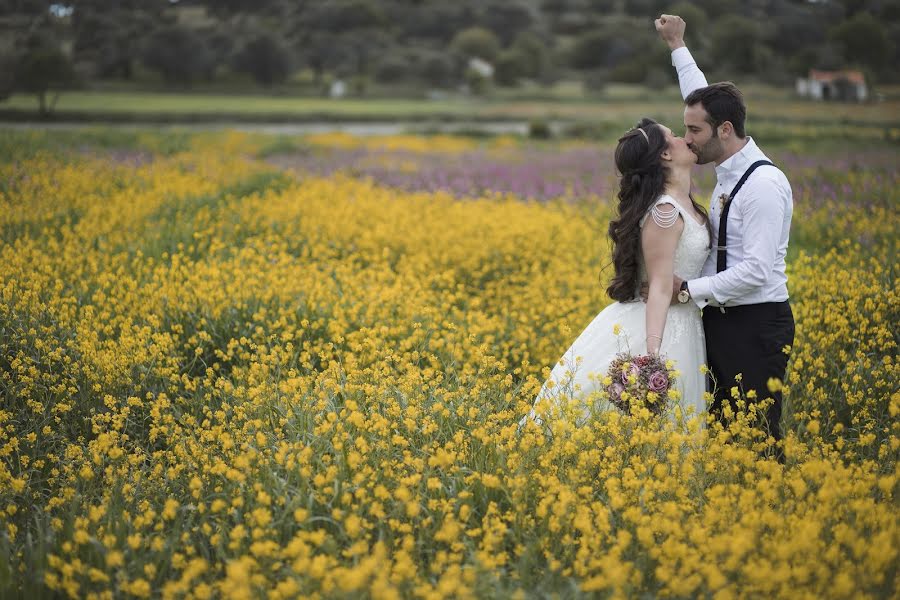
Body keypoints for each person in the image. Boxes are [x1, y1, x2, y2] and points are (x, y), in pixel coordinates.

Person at [654, 14, 795, 449]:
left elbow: (754, 272)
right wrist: (678, 45)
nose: (687, 139)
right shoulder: (726, 163)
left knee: (755, 437)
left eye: (693, 131)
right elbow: (699, 99)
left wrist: (686, 290)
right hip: (722, 318)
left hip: (755, 323)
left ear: (725, 130)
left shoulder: (763, 186)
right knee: (721, 433)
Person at [525, 118, 711, 425]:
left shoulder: (686, 204)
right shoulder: (665, 211)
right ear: (665, 155)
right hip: (662, 327)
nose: (684, 138)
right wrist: (653, 357)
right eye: (675, 135)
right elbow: (661, 287)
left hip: (685, 320)